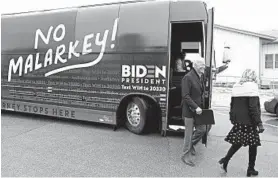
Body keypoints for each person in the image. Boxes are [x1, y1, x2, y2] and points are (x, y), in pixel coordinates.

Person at [218, 69, 265, 177]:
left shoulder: (237, 87)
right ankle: (250, 169)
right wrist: (259, 123)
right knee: (253, 145)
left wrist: (232, 118)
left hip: (239, 121)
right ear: (253, 77)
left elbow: (232, 105)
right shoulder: (252, 87)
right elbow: (253, 108)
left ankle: (225, 160)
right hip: (250, 122)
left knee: (237, 143)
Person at [181, 55, 206, 167]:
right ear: (195, 65)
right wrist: (196, 107)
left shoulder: (200, 76)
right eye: (201, 65)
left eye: (204, 65)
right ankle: (185, 156)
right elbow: (185, 96)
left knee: (202, 129)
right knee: (189, 134)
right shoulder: (188, 77)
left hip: (199, 110)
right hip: (190, 111)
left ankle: (190, 146)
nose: (203, 67)